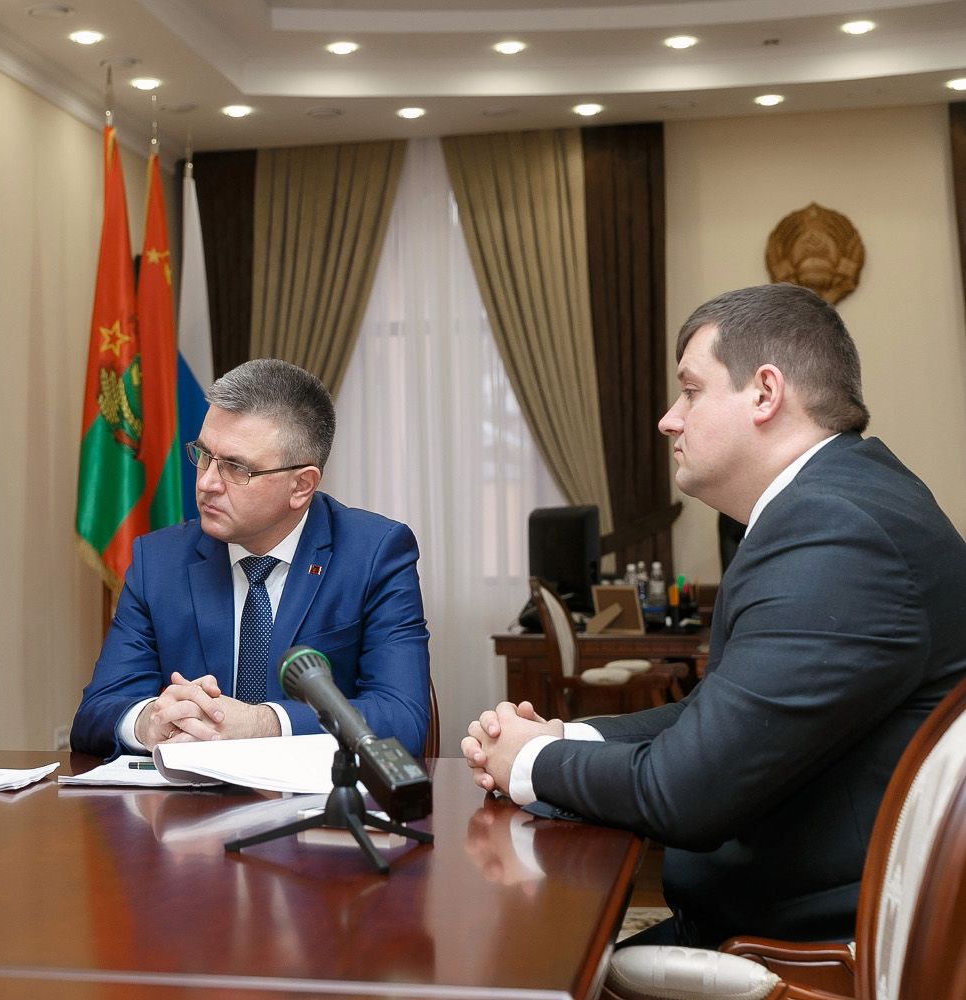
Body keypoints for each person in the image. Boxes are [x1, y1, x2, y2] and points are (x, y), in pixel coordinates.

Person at [463, 283, 966, 947]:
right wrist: (564, 738)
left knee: (529, 966)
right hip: (793, 915)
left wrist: (529, 762)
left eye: (691, 391)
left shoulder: (835, 531)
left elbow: (684, 795)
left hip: (800, 952)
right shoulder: (841, 499)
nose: (668, 420)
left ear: (764, 393)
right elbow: (717, 716)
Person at [71, 358, 431, 759]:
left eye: (236, 468)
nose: (207, 482)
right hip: (189, 797)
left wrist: (264, 724)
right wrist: (148, 721)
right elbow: (95, 714)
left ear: (301, 485)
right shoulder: (158, 562)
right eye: (204, 455)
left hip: (314, 797)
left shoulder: (374, 555)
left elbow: (403, 719)